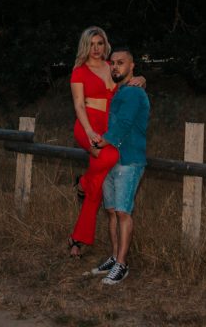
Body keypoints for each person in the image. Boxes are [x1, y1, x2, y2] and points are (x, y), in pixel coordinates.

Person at [67, 27, 146, 257]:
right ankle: (83, 183)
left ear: (105, 44)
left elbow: (127, 80)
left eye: (99, 43)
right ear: (85, 46)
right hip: (87, 126)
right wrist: (89, 131)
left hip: (108, 129)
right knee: (111, 157)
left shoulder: (112, 67)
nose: (96, 49)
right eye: (91, 44)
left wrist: (142, 78)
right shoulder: (79, 71)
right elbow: (79, 105)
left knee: (97, 186)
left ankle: (77, 238)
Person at [89, 47, 149, 285]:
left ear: (132, 66)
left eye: (121, 63)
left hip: (129, 160)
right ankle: (114, 258)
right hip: (111, 159)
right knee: (112, 211)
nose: (115, 67)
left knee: (123, 212)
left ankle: (122, 265)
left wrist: (103, 141)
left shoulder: (134, 93)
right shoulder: (120, 91)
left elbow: (124, 123)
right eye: (112, 63)